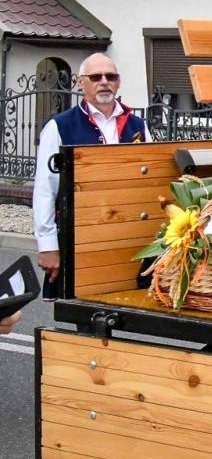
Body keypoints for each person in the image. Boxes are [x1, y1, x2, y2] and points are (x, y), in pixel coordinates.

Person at [33, 52, 148, 301]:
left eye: (111, 76)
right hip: (79, 235)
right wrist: (48, 246)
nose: (104, 82)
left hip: (125, 235)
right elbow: (44, 190)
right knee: (80, 310)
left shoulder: (138, 125)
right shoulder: (59, 126)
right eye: (96, 77)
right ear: (80, 82)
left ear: (119, 82)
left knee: (127, 304)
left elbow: (148, 179)